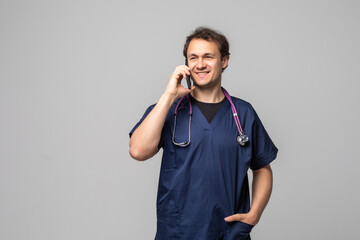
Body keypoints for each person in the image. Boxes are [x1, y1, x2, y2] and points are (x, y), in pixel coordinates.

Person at [129, 27, 278, 240]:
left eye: (208, 57)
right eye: (193, 58)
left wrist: (254, 214)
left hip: (228, 232)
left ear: (224, 61)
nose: (200, 64)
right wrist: (168, 95)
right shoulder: (168, 109)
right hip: (178, 231)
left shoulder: (243, 113)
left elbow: (262, 168)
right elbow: (138, 151)